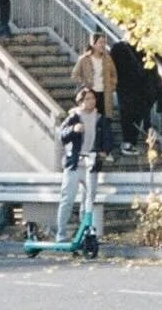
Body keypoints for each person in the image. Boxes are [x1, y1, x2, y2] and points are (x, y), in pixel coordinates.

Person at [56, 85, 112, 241]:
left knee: (89, 200)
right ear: (80, 102)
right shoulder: (74, 117)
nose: (91, 101)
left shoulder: (100, 119)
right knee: (68, 198)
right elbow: (61, 135)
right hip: (75, 163)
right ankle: (60, 234)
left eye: (93, 98)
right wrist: (73, 129)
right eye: (87, 99)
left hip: (91, 163)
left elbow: (108, 139)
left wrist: (104, 151)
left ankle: (84, 233)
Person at [109, 27, 149, 154]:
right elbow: (112, 67)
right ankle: (127, 142)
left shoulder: (142, 48)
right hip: (124, 86)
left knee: (138, 113)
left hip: (139, 86)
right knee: (127, 113)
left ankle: (132, 141)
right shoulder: (118, 47)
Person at [71, 30, 117, 121]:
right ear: (94, 44)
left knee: (104, 120)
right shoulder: (84, 59)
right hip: (91, 93)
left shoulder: (108, 59)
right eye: (100, 42)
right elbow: (75, 75)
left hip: (105, 94)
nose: (103, 45)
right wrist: (85, 83)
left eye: (104, 42)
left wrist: (112, 86)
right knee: (91, 119)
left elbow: (114, 74)